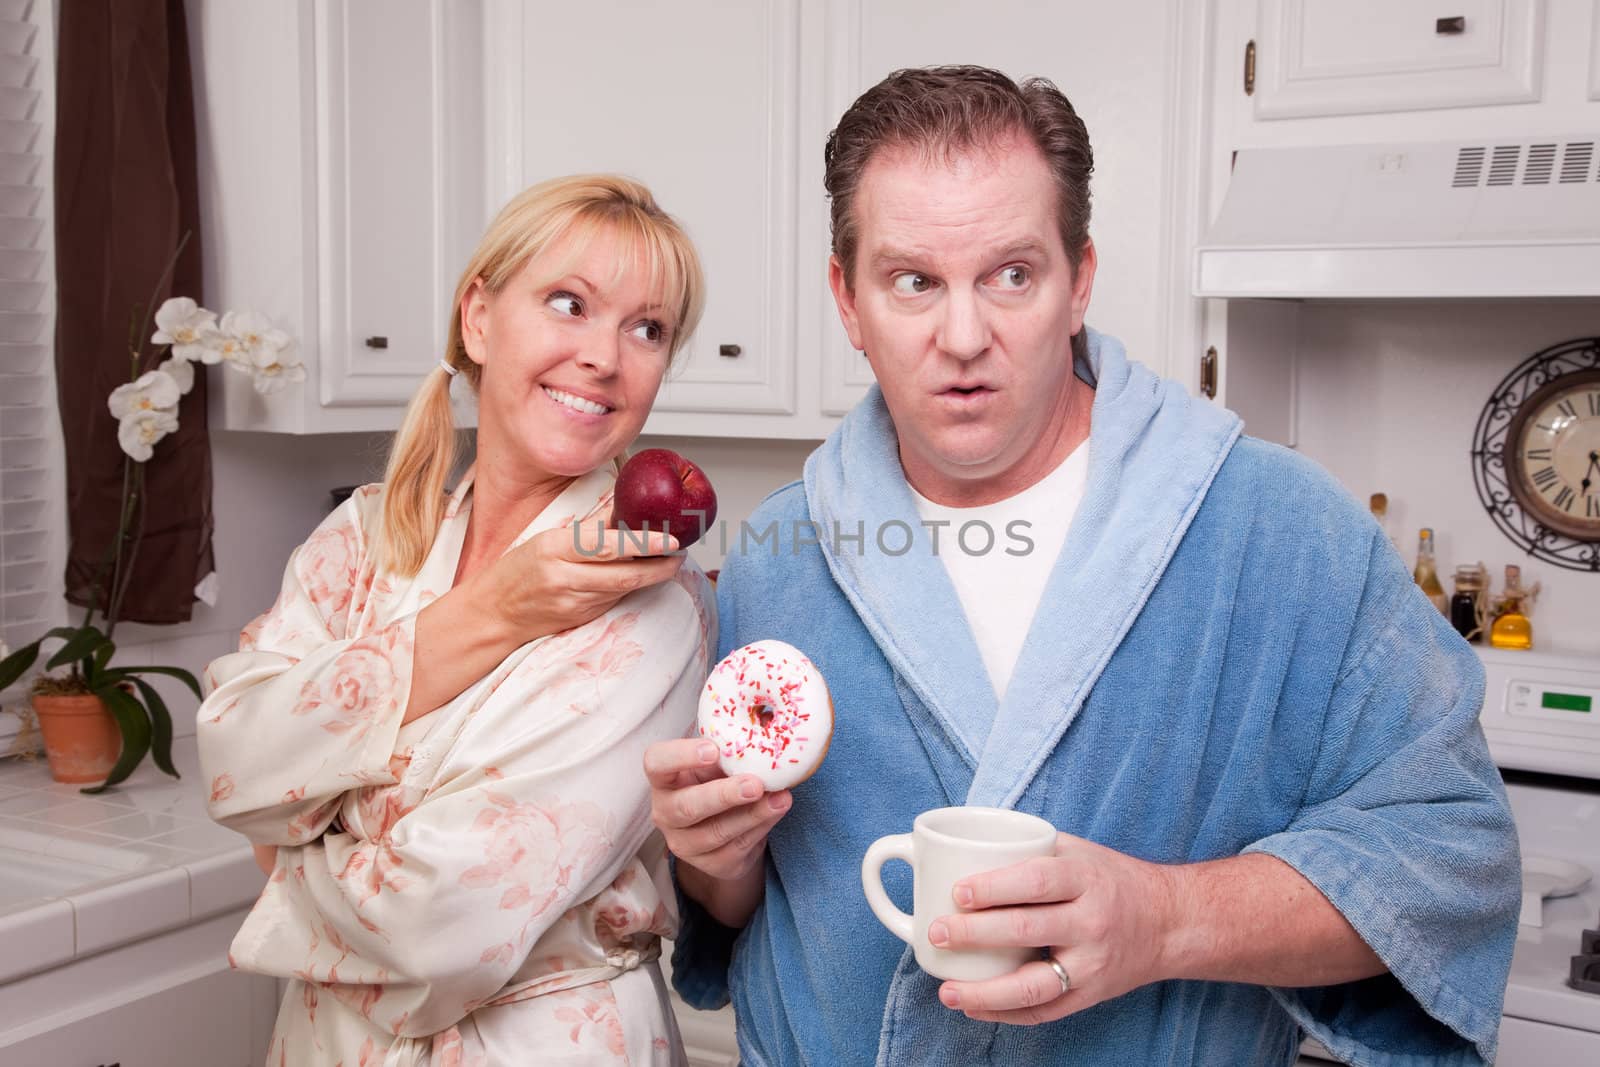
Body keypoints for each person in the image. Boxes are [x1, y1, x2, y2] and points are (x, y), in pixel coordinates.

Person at [645, 67, 1520, 1066]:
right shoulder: (780, 556)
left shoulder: (1281, 535)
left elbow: (1451, 859)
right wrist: (715, 857)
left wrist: (1167, 916)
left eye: (1011, 274)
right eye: (913, 281)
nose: (963, 336)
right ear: (848, 299)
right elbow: (751, 902)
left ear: (1080, 278)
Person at [199, 175, 715, 1065]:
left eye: (648, 328)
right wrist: (495, 609)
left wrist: (295, 839)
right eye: (569, 303)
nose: (605, 356)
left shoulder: (654, 606)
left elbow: (435, 923)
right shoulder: (363, 537)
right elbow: (229, 755)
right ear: (479, 317)